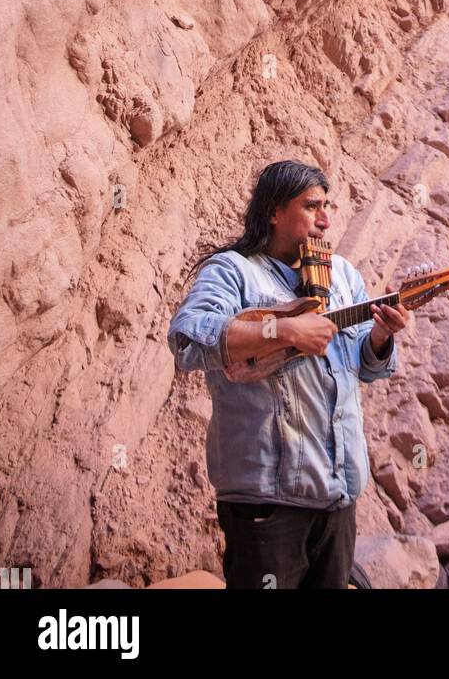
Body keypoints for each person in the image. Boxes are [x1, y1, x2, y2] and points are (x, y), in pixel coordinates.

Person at [166, 159, 410, 589]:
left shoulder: (344, 276)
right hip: (268, 503)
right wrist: (282, 329)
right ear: (274, 211)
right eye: (312, 206)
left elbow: (363, 367)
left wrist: (380, 336)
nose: (325, 219)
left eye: (327, 206)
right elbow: (187, 340)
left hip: (338, 495)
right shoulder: (233, 271)